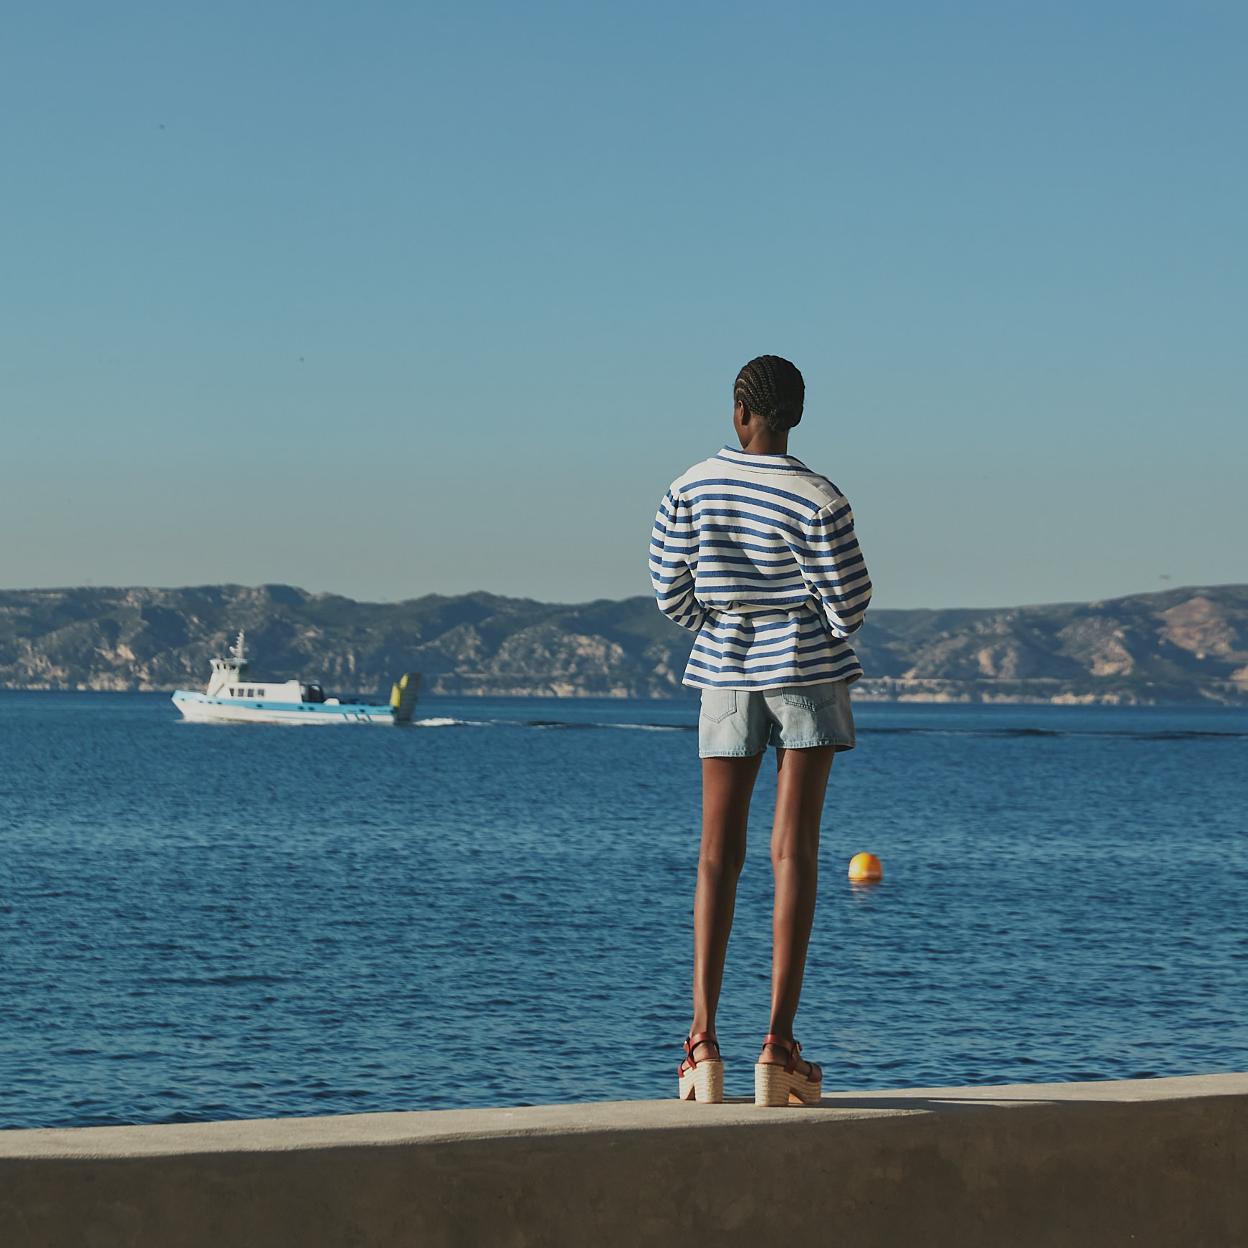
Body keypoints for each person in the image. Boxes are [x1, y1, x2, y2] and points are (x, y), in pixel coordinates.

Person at [649, 355, 872, 1107]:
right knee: (793, 850)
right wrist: (804, 615)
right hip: (807, 669)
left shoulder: (689, 487)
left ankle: (701, 1043)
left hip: (725, 667)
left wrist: (718, 621)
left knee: (717, 853)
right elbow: (850, 604)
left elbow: (668, 590)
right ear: (796, 415)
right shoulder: (820, 498)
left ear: (738, 412)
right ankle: (777, 1047)